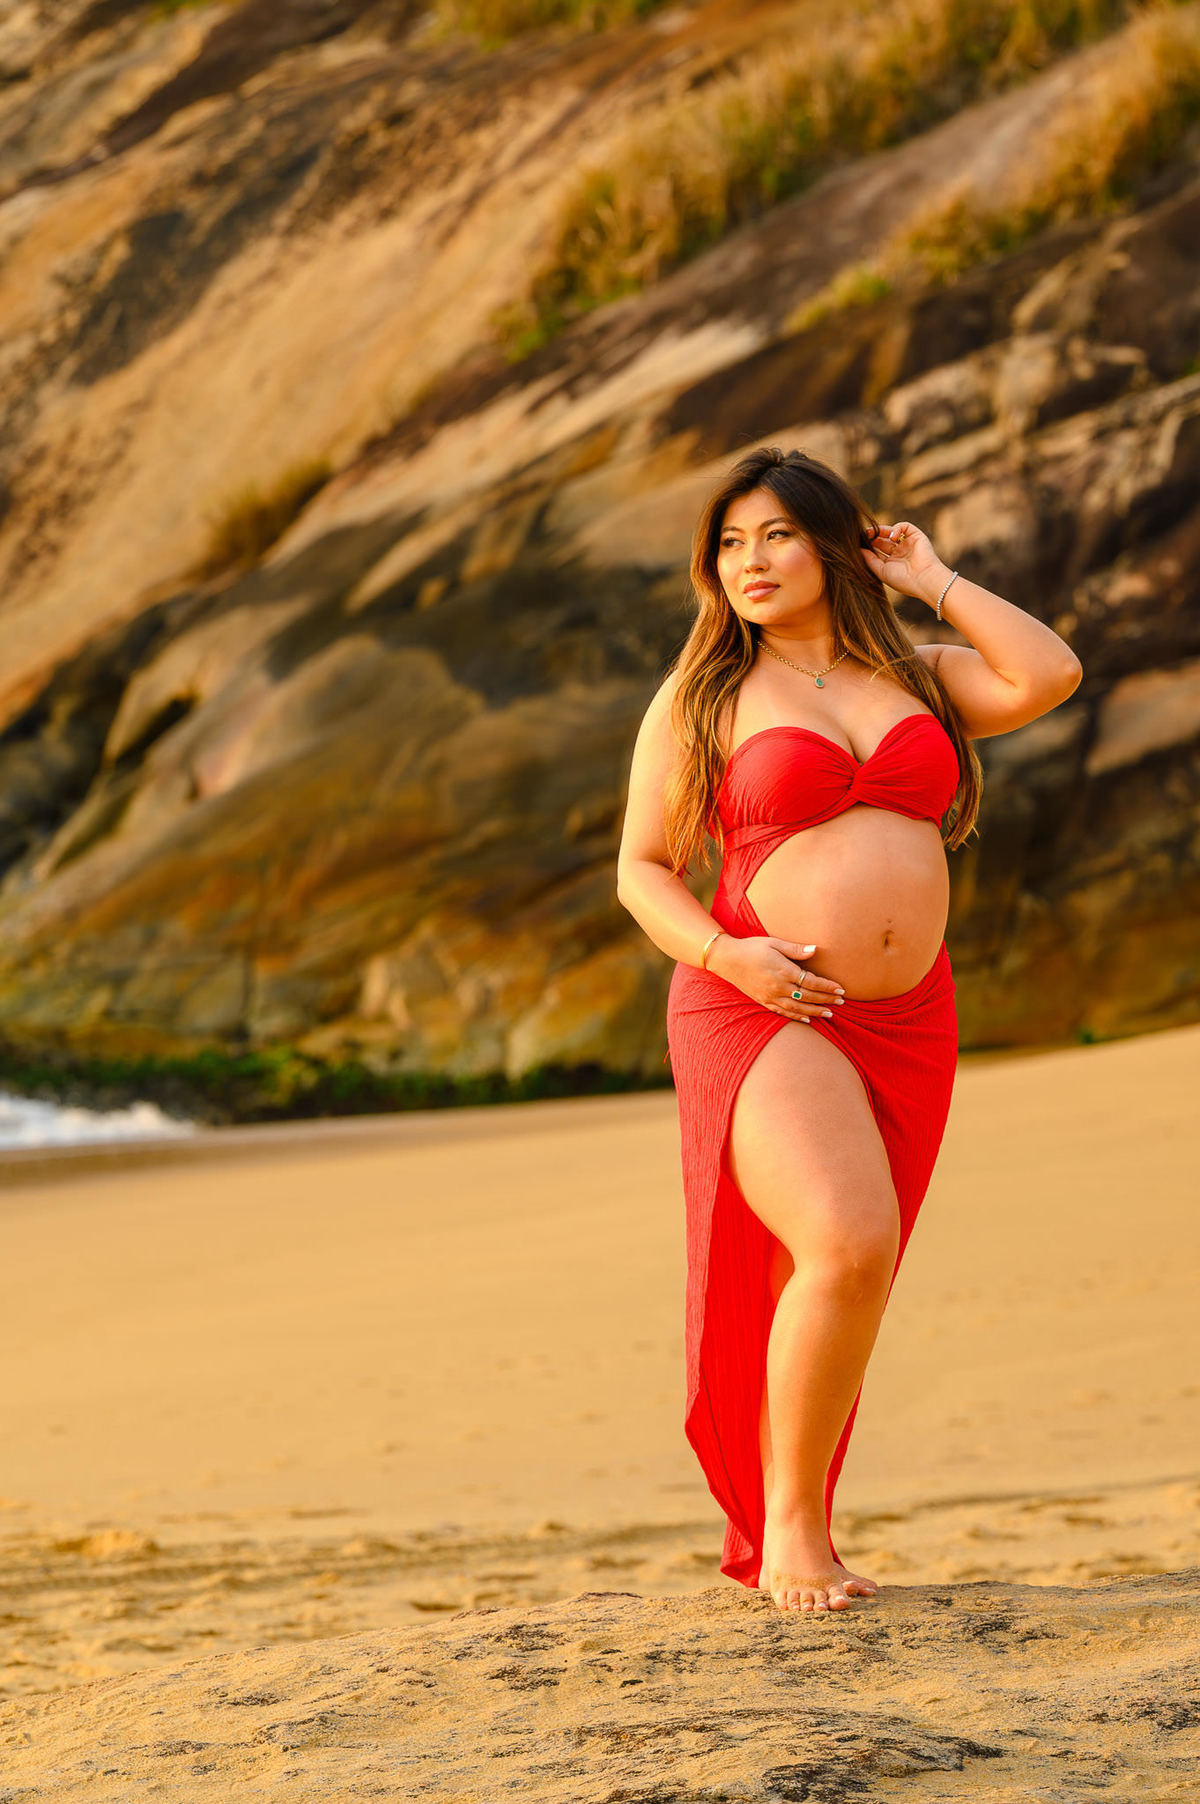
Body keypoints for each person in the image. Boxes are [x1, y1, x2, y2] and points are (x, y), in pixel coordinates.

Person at [616, 445, 1082, 1616]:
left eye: (776, 533)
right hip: (759, 999)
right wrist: (729, 955)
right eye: (730, 542)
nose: (751, 560)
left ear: (835, 543)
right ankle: (791, 1532)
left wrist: (930, 577)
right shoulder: (703, 697)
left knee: (855, 1265)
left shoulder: (920, 677)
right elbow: (643, 870)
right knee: (846, 1238)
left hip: (908, 1017)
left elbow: (1049, 673)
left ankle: (804, 1518)